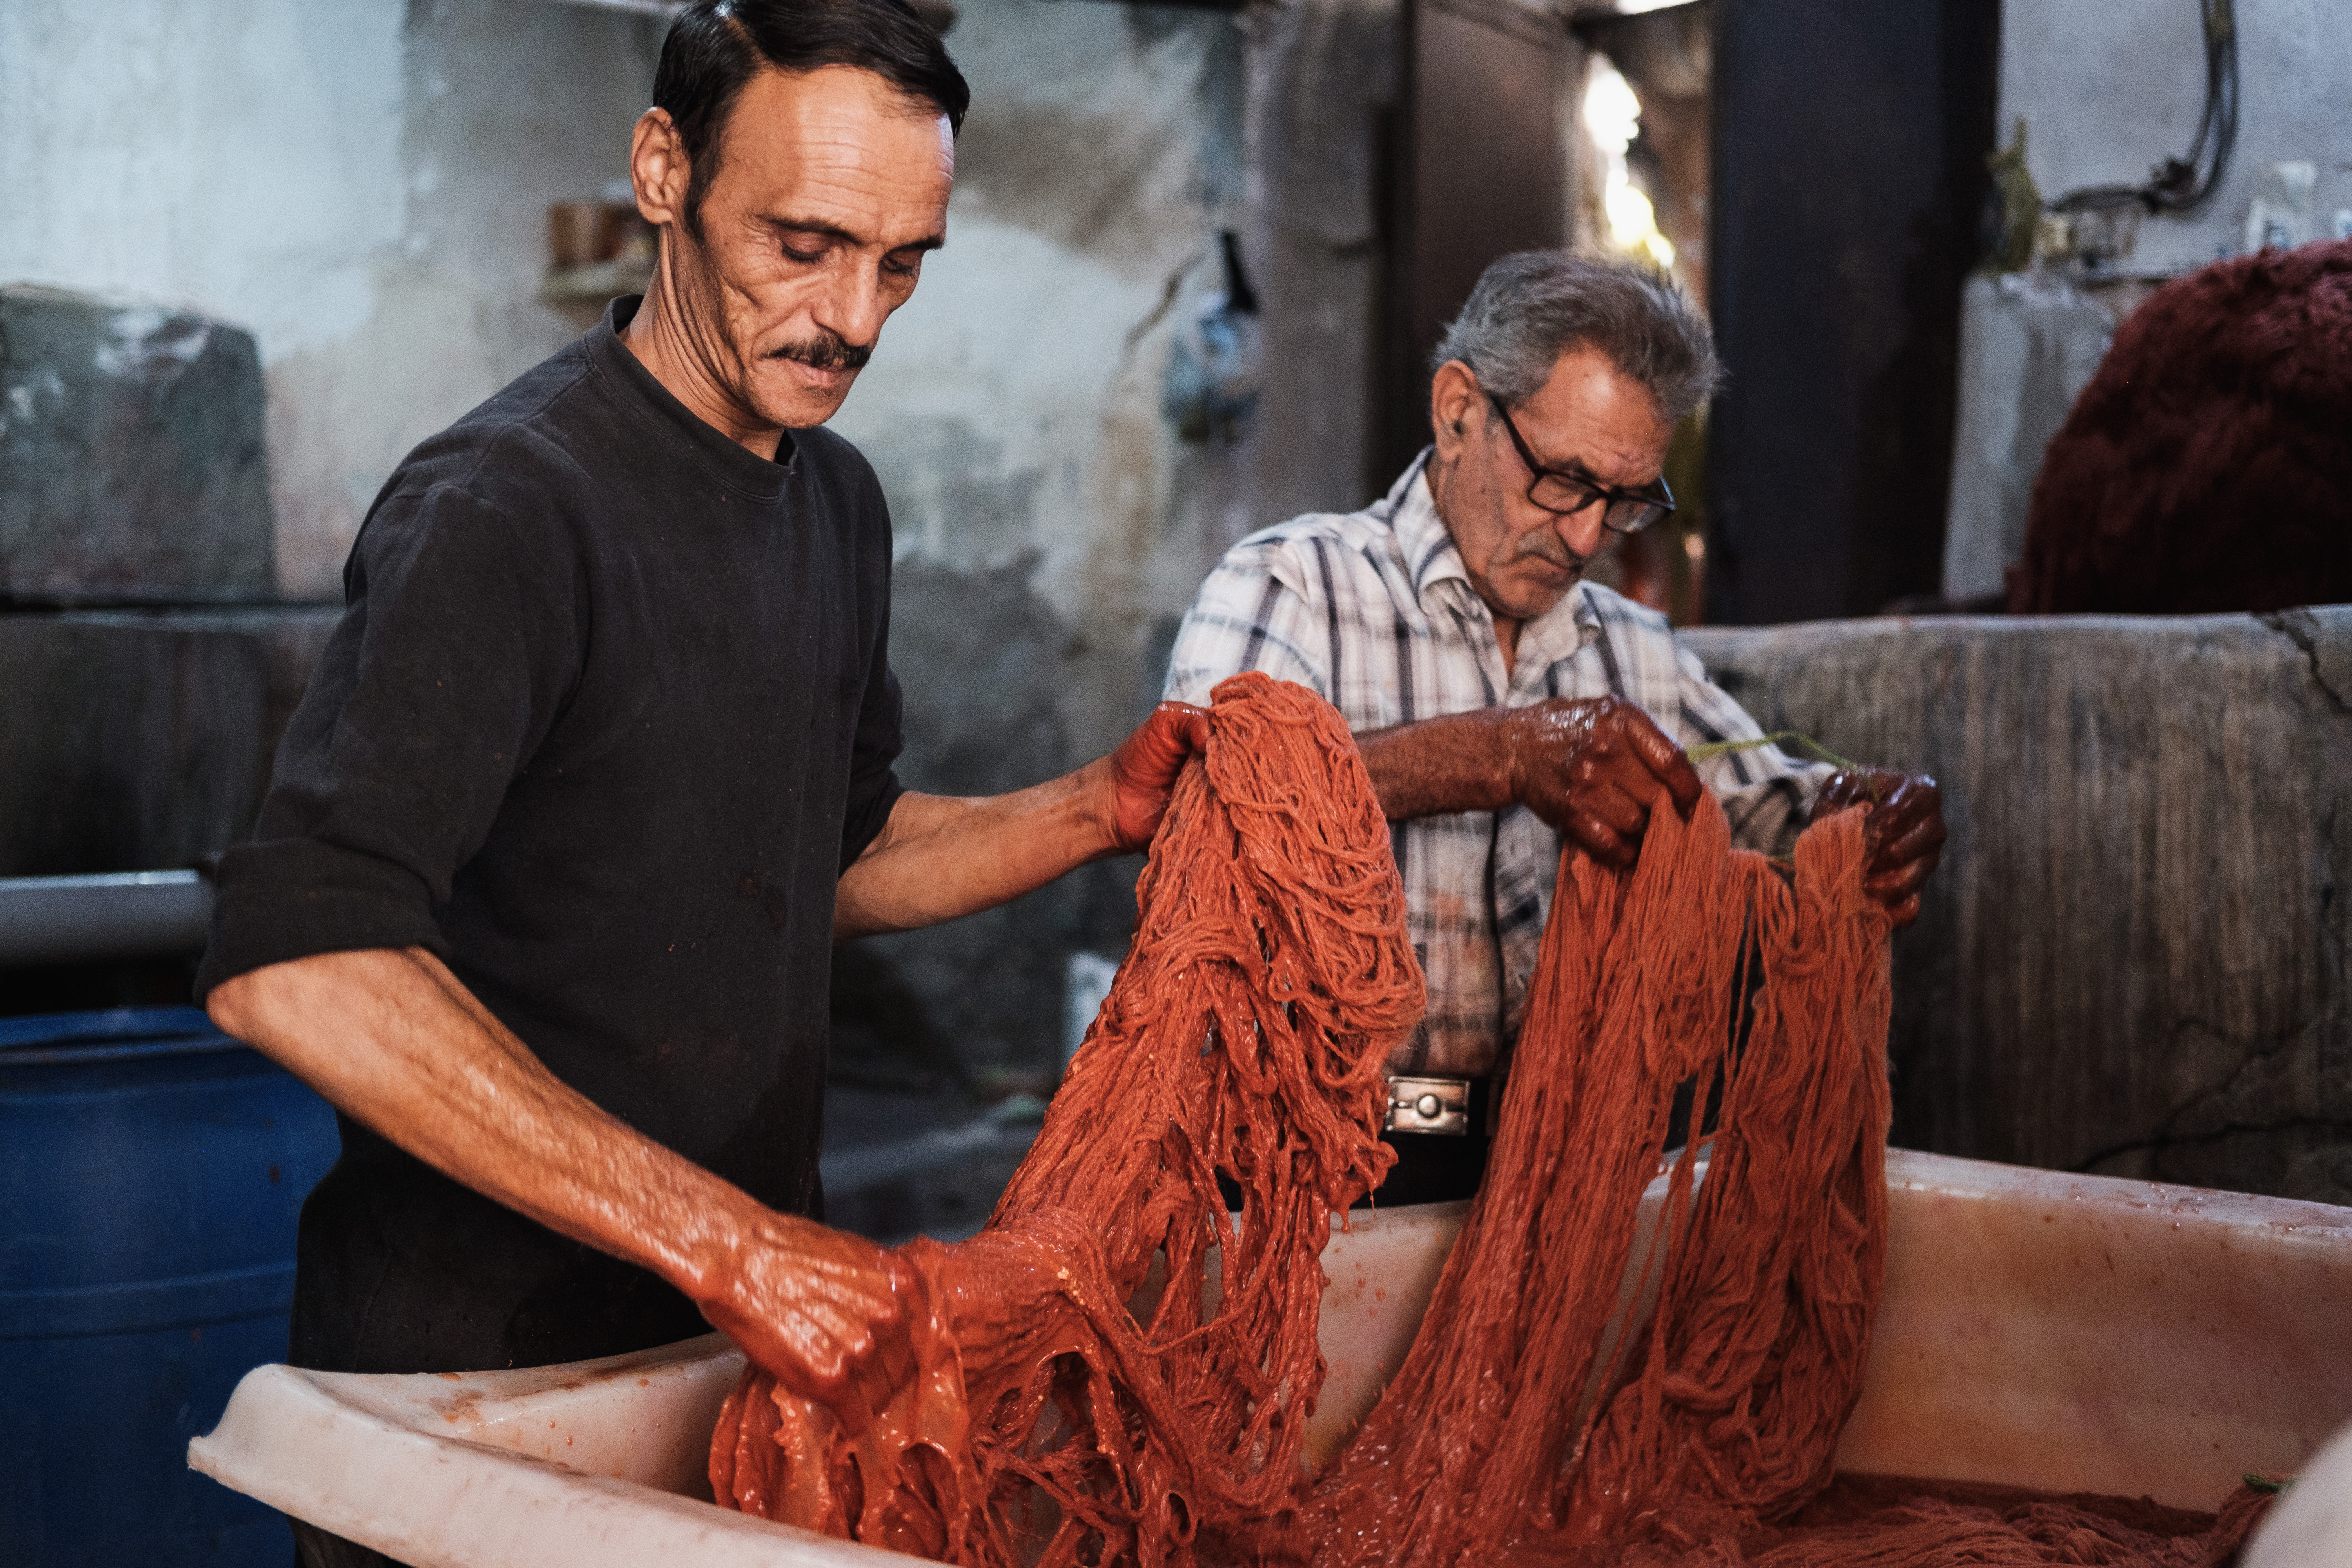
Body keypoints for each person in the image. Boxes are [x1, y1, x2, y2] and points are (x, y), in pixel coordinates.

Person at [197, 7, 1203, 1561]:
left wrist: (1096, 808)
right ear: (664, 169)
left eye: (902, 260)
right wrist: (737, 1244)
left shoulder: (836, 503)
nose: (854, 315)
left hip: (722, 1370)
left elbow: (834, 852)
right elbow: (301, 966)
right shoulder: (506, 510)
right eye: (803, 243)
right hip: (469, 1388)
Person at [1165, 251, 1945, 1204]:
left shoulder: (1632, 651)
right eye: (1562, 481)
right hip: (1300, 1154)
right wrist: (1500, 755)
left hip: (1552, 1168)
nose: (1585, 538)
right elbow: (1199, 803)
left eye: (1624, 501)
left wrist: (1862, 813)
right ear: (1458, 412)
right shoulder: (1293, 585)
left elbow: (1769, 809)